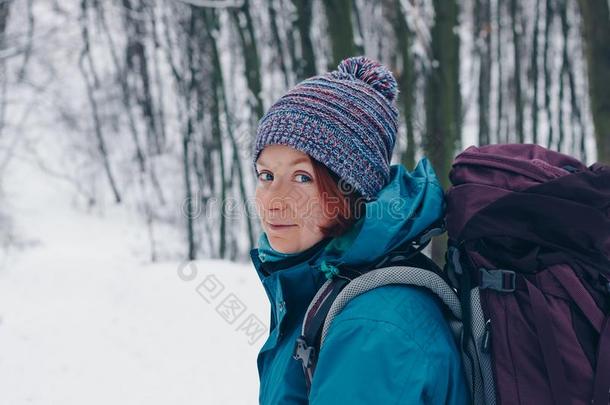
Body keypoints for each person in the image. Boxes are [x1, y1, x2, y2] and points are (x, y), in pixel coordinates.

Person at [249, 56, 469, 404]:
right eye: (267, 176)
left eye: (302, 178)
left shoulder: (374, 327)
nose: (273, 201)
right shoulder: (324, 287)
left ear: (353, 190)